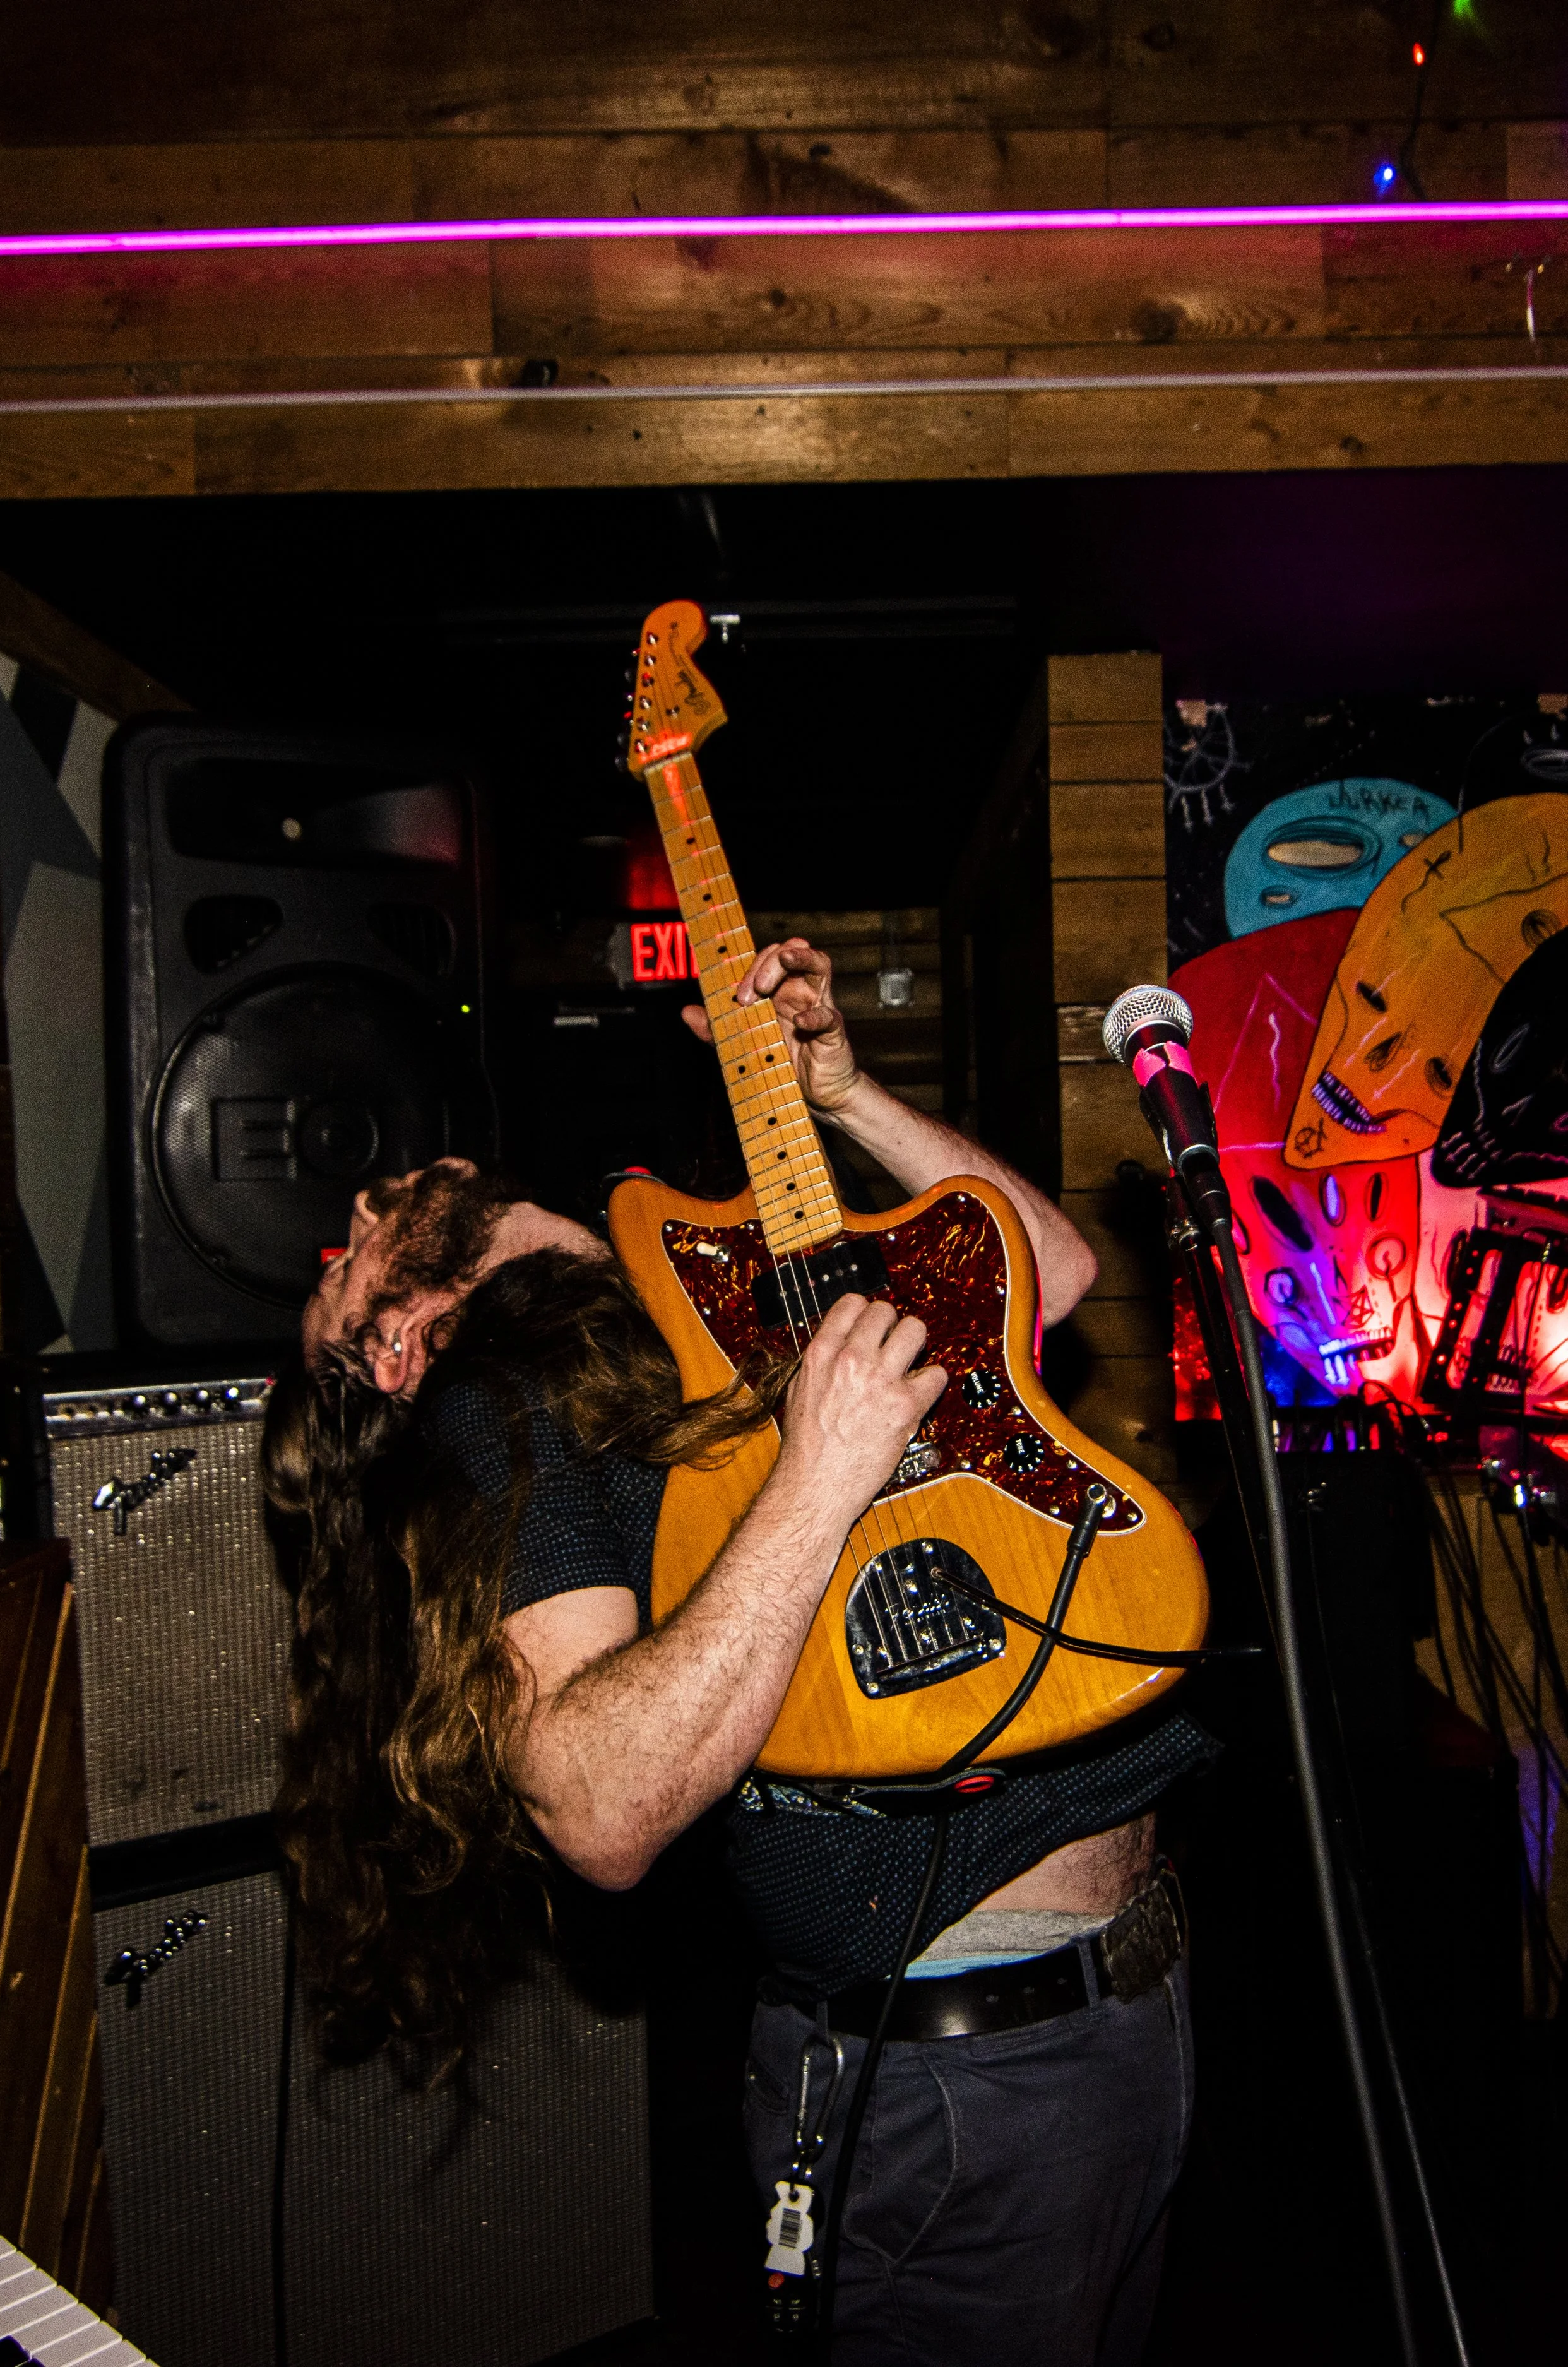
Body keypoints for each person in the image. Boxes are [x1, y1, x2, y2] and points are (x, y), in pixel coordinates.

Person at [270, 937, 1215, 2367]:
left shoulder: (693, 1282)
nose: (356, 1207)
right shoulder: (493, 1413)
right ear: (400, 1348)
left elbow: (1056, 1271)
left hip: (1117, 2019)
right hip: (954, 2071)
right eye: (343, 1270)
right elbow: (593, 1803)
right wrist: (821, 1471)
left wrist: (844, 1092)